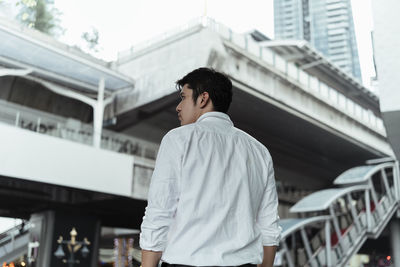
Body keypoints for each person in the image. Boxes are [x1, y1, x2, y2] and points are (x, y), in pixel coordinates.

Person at [140, 68, 281, 267]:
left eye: (184, 97)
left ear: (203, 98)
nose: (178, 107)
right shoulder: (259, 151)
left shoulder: (178, 139)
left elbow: (159, 211)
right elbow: (269, 226)